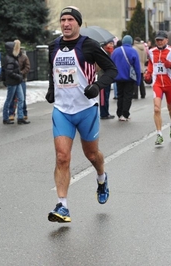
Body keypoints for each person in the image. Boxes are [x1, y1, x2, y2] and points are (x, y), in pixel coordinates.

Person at [45, 6, 117, 223]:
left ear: (78, 23)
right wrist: (51, 89)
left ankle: (102, 178)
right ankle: (62, 206)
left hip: (86, 110)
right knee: (62, 157)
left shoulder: (89, 46)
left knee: (92, 155)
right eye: (63, 20)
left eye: (70, 20)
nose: (66, 24)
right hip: (62, 111)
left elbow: (112, 70)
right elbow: (54, 71)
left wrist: (97, 86)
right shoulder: (53, 46)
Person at [143, 31, 171, 145]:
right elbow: (151, 65)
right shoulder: (151, 52)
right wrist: (148, 74)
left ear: (166, 40)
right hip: (157, 84)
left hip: (170, 84)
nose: (159, 42)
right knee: (156, 109)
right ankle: (159, 135)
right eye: (157, 40)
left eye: (161, 40)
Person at [111, 35, 141, 121]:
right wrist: (138, 81)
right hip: (129, 78)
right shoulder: (133, 51)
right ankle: (125, 114)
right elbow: (137, 68)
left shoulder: (115, 51)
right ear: (131, 42)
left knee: (120, 95)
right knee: (127, 96)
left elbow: (111, 64)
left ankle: (119, 113)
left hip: (118, 77)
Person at [1, 40, 30, 125]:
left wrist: (19, 76)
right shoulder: (10, 59)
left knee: (21, 98)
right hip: (13, 82)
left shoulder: (13, 57)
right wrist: (19, 76)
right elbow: (9, 72)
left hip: (17, 82)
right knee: (9, 100)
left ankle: (20, 117)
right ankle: (5, 118)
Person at [8, 46, 31, 121]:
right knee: (13, 97)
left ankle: (24, 113)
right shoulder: (12, 57)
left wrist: (21, 73)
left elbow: (27, 67)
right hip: (14, 79)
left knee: (22, 97)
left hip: (22, 79)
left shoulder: (24, 57)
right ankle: (11, 113)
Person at [97, 39, 115, 119]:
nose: (111, 45)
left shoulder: (108, 53)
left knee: (106, 95)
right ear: (105, 45)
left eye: (112, 44)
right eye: (110, 44)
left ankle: (106, 112)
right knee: (103, 96)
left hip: (107, 77)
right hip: (102, 77)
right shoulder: (102, 54)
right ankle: (103, 113)